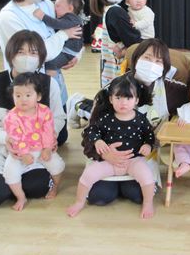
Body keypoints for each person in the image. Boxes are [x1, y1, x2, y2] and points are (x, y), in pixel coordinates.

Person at [79, 39, 190, 207]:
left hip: (142, 158)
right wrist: (104, 154)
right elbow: (89, 133)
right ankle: (79, 104)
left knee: (138, 195)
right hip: (106, 157)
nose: (152, 64)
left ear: (164, 67)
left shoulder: (170, 89)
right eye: (147, 58)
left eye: (158, 61)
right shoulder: (111, 90)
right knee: (99, 198)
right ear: (136, 59)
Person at [0, 30, 66, 208]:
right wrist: (6, 139)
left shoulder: (48, 84)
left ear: (41, 58)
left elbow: (58, 117)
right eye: (21, 52)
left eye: (33, 52)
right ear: (10, 55)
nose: (27, 57)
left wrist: (50, 138)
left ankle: (14, 186)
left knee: (38, 187)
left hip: (32, 151)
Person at [0, 0, 82, 111]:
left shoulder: (46, 5)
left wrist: (75, 54)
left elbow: (73, 28)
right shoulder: (9, 16)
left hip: (54, 79)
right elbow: (36, 53)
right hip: (26, 88)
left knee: (60, 120)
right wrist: (63, 35)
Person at [67, 75, 156, 219]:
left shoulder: (141, 119)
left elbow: (149, 135)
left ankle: (148, 203)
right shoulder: (105, 118)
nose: (123, 102)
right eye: (118, 98)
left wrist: (147, 144)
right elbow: (91, 130)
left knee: (147, 177)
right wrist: (97, 141)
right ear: (110, 99)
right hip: (107, 161)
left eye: (128, 98)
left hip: (133, 160)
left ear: (136, 100)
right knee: (88, 175)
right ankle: (79, 202)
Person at [3, 72, 65, 211]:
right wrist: (24, 153)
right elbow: (16, 137)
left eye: (28, 95)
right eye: (18, 96)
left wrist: (47, 148)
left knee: (57, 165)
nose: (23, 99)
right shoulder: (11, 117)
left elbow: (48, 131)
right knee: (9, 172)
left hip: (42, 148)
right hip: (21, 153)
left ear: (38, 96)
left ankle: (55, 187)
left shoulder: (44, 111)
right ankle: (21, 197)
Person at [89, 0, 142, 87]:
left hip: (110, 74)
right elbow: (134, 41)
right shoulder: (115, 12)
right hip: (120, 75)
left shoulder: (108, 10)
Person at [32, 0, 84, 76]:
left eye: (57, 6)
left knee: (51, 63)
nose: (54, 8)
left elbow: (56, 24)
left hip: (68, 53)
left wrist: (43, 16)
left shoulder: (71, 19)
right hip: (67, 51)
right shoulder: (71, 18)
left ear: (70, 8)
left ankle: (49, 81)